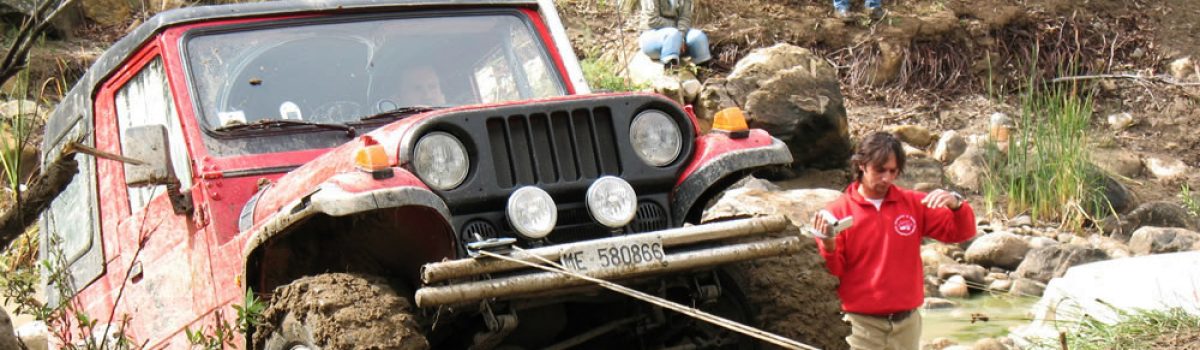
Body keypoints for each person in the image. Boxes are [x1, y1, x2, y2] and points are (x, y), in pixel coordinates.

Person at [811, 132, 976, 350]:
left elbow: (960, 233)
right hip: (859, 326)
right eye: (880, 170)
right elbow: (833, 274)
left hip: (907, 324)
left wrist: (956, 205)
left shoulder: (914, 203)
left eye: (893, 171)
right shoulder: (837, 212)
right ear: (861, 165)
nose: (887, 178)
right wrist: (828, 245)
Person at [638, 0, 711, 67]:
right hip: (652, 35)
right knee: (672, 35)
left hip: (678, 32)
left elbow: (685, 18)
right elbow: (652, 20)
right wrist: (677, 34)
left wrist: (681, 35)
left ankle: (703, 72)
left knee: (698, 38)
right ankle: (671, 72)